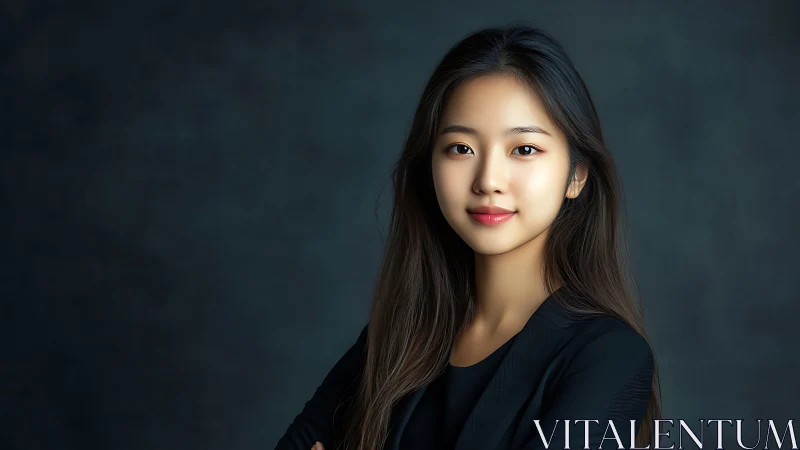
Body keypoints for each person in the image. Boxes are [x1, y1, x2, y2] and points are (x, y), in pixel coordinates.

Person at [275, 23, 663, 450]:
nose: (488, 180)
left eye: (524, 149)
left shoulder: (608, 359)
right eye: (461, 148)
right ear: (430, 167)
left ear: (577, 175)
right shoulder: (400, 334)